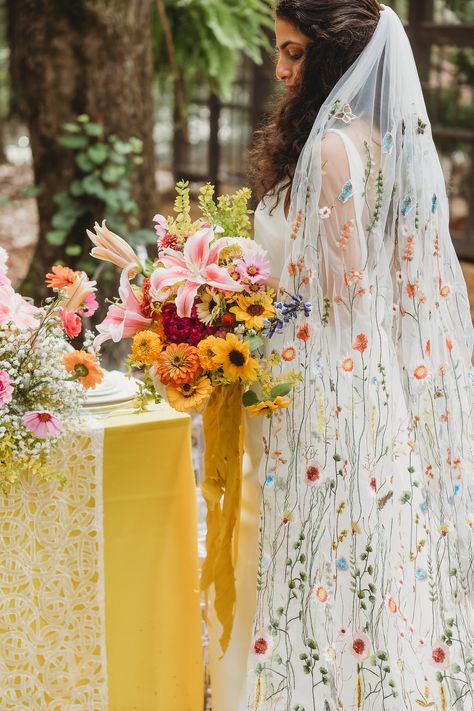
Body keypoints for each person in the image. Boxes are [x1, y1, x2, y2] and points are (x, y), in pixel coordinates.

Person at [208, 3, 474, 709]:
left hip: (316, 379)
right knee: (355, 549)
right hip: (363, 376)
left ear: (336, 57)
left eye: (295, 53)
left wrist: (240, 295)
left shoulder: (331, 150)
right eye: (280, 51)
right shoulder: (380, 142)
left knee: (310, 548)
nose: (281, 68)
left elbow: (342, 286)